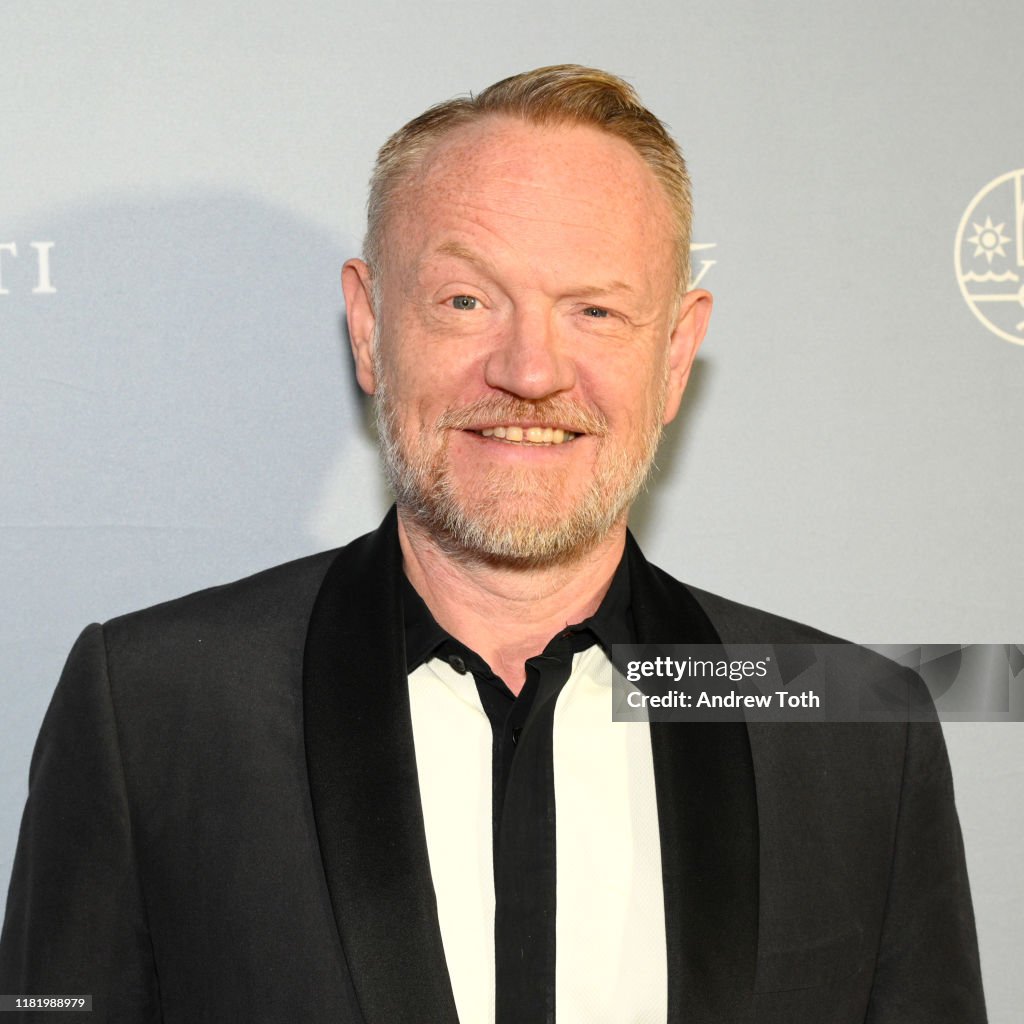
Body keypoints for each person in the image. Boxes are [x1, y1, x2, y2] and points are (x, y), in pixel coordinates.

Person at [0, 65, 986, 1023]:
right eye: (466, 301)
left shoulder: (853, 728)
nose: (528, 369)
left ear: (675, 353)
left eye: (594, 310)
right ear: (369, 324)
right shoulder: (154, 705)